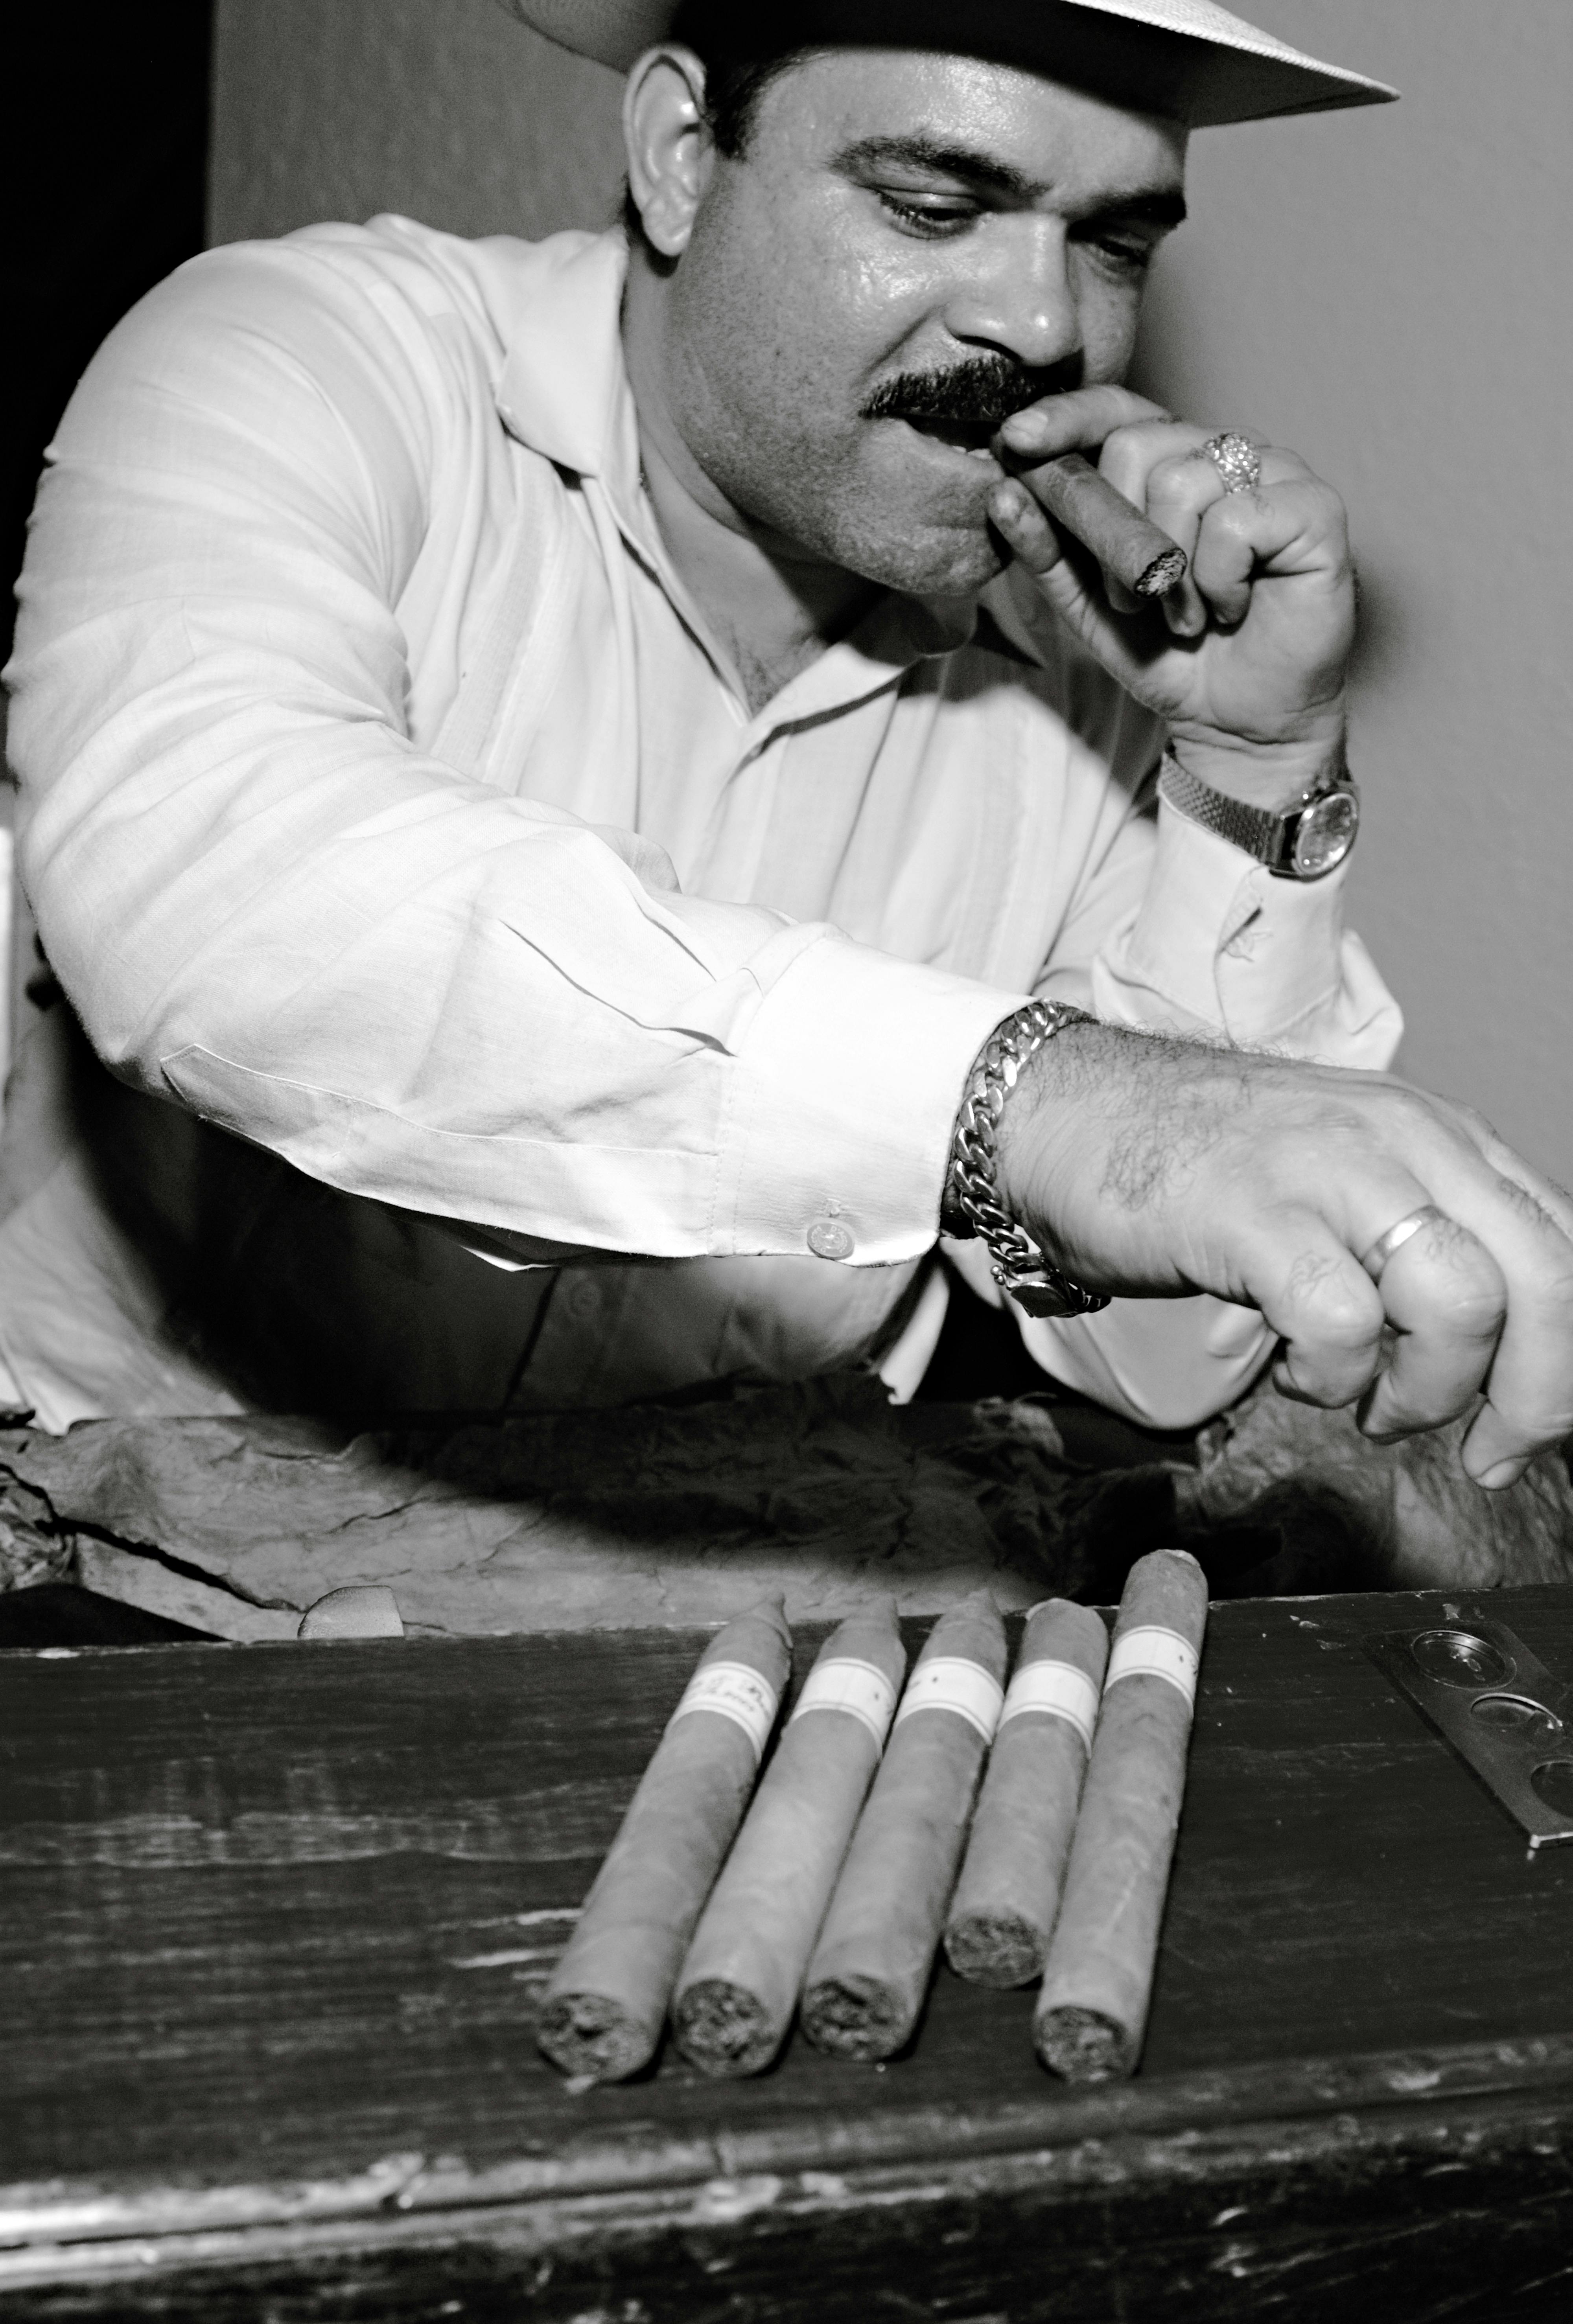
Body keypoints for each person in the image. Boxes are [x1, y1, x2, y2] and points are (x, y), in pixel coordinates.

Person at [2, 0, 1570, 1500]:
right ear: (681, 153)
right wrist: (1023, 1104)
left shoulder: (1095, 663)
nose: (1044, 324)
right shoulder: (300, 363)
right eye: (934, 206)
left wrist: (1252, 762)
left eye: (1108, 243)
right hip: (96, 1544)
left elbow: (1152, 1364)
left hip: (709, 1593)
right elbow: (210, 887)